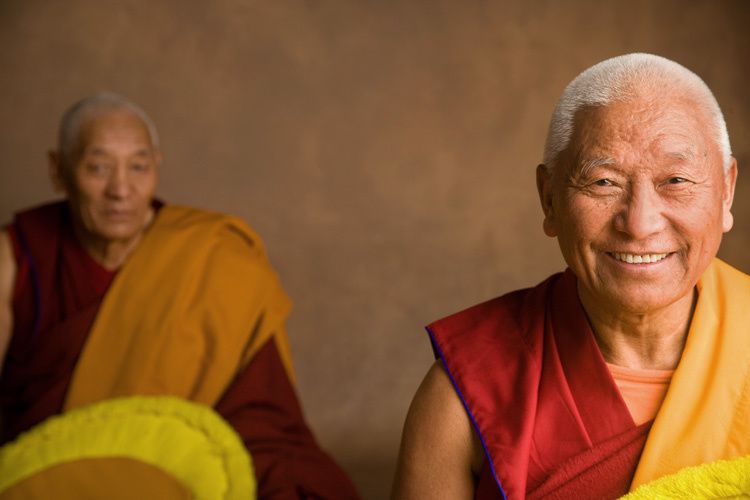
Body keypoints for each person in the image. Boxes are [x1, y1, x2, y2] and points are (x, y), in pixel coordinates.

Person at [392, 53, 750, 499]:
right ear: (549, 200)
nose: (639, 224)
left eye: (675, 180)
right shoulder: (467, 389)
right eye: (603, 182)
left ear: (727, 190)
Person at [0, 92, 359, 499]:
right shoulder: (17, 256)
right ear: (58, 171)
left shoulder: (210, 256)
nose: (121, 189)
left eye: (138, 167)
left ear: (157, 166)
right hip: (54, 468)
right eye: (98, 167)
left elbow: (261, 414)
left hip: (185, 459)